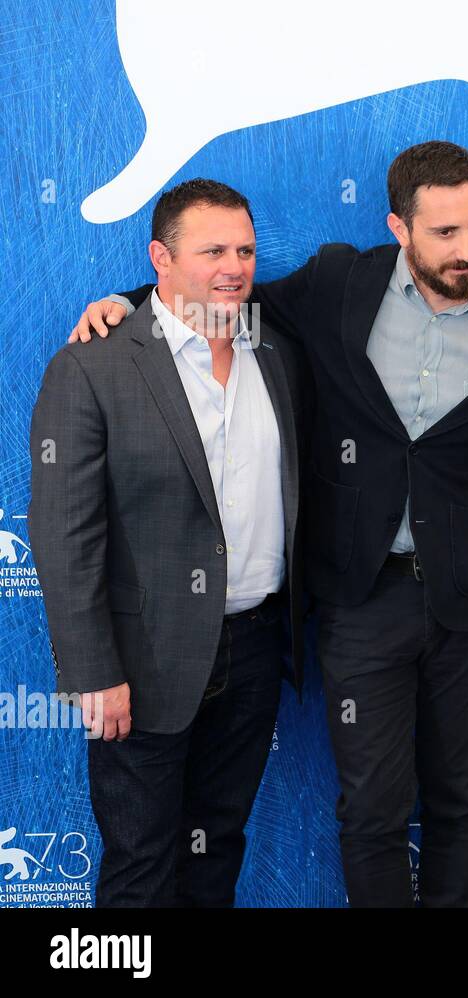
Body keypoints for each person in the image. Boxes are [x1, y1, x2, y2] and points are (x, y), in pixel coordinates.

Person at [70, 142, 468, 907]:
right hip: (359, 598)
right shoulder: (341, 282)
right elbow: (222, 300)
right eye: (444, 233)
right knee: (371, 811)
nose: (467, 250)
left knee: (460, 801)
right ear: (399, 227)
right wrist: (128, 305)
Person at [31, 179, 310, 906]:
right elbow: (66, 534)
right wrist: (93, 672)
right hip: (142, 660)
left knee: (217, 850)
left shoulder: (275, 350)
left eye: (245, 250)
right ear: (160, 256)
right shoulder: (93, 367)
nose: (234, 266)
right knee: (141, 867)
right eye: (212, 249)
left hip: (253, 650)